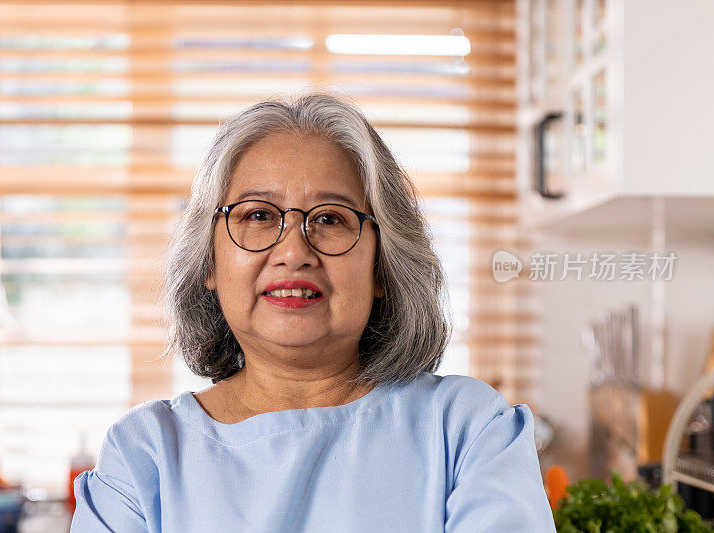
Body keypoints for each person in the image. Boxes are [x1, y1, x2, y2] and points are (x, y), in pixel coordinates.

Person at [70, 93, 556, 532]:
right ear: (209, 263)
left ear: (382, 268)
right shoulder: (144, 456)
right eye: (257, 215)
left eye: (330, 219)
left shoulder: (468, 430)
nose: (293, 251)